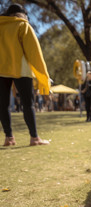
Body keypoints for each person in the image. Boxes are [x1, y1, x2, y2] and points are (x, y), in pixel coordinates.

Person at [0, 3, 50, 146]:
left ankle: (9, 138)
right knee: (28, 104)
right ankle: (34, 138)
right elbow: (34, 52)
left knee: (2, 105)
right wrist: (43, 76)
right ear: (22, 15)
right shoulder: (23, 25)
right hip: (20, 69)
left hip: (1, 69)